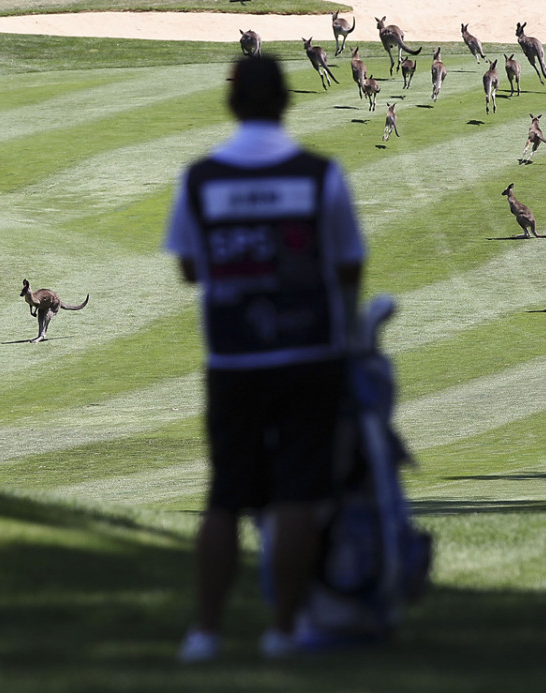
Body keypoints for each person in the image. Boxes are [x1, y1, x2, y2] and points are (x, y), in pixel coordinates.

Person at [163, 55, 366, 661]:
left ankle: (204, 633)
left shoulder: (200, 179)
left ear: (232, 105)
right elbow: (349, 265)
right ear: (286, 102)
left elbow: (190, 267)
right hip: (310, 353)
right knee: (299, 491)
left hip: (233, 357)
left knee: (226, 495)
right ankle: (284, 629)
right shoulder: (319, 175)